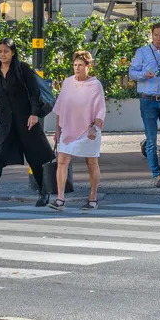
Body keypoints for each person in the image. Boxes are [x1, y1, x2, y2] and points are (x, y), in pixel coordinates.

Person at [0, 38, 57, 210]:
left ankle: (44, 192)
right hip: (5, 122)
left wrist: (35, 114)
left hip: (26, 120)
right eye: (0, 51)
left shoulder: (22, 69)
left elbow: (34, 93)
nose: (2, 54)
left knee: (34, 157)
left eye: (6, 51)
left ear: (13, 52)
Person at [50, 50, 107, 210]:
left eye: (81, 65)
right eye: (75, 65)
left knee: (91, 162)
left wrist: (95, 127)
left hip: (88, 130)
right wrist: (57, 130)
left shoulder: (95, 85)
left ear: (88, 66)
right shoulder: (67, 83)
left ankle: (93, 198)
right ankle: (60, 199)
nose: (77, 68)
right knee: (62, 161)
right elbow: (60, 108)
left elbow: (100, 109)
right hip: (68, 128)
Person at [128, 23, 160, 186]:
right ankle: (157, 174)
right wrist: (145, 74)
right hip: (147, 100)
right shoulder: (142, 52)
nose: (158, 38)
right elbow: (131, 73)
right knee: (151, 139)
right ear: (151, 35)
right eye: (155, 35)